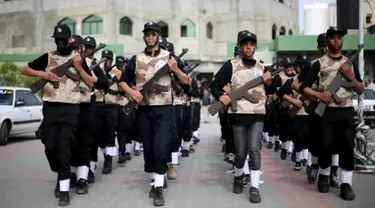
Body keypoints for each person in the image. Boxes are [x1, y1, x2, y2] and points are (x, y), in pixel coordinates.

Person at [21, 24, 94, 206]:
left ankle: (63, 189)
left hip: (71, 108)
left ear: (70, 39)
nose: (60, 42)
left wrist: (79, 67)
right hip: (51, 107)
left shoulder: (77, 58)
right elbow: (25, 69)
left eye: (63, 39)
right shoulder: (48, 57)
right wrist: (42, 73)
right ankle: (63, 172)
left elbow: (90, 83)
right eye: (57, 40)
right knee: (49, 145)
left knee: (64, 146)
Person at [118, 21, 189, 206]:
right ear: (144, 37)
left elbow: (186, 81)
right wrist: (132, 92)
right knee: (148, 149)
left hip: (164, 110)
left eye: (153, 34)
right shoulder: (137, 58)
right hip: (144, 110)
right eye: (147, 34)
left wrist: (175, 69)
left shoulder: (169, 56)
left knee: (160, 146)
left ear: (159, 36)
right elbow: (123, 81)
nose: (150, 37)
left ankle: (158, 187)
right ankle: (156, 175)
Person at [210, 30, 275, 204]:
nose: (248, 47)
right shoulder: (231, 65)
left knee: (254, 149)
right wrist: (221, 96)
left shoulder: (262, 67)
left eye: (251, 44)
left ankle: (255, 187)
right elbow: (214, 85)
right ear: (239, 47)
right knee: (240, 153)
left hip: (257, 115)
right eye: (245, 44)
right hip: (238, 114)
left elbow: (272, 90)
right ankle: (238, 176)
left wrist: (269, 83)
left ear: (256, 47)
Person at [299, 27, 364, 201]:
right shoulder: (318, 63)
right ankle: (324, 175)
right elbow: (303, 87)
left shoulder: (349, 63)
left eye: (339, 38)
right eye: (333, 38)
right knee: (325, 145)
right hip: (326, 112)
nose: (336, 40)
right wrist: (319, 95)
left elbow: (360, 89)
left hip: (346, 111)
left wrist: (350, 76)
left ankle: (346, 184)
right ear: (327, 41)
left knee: (347, 147)